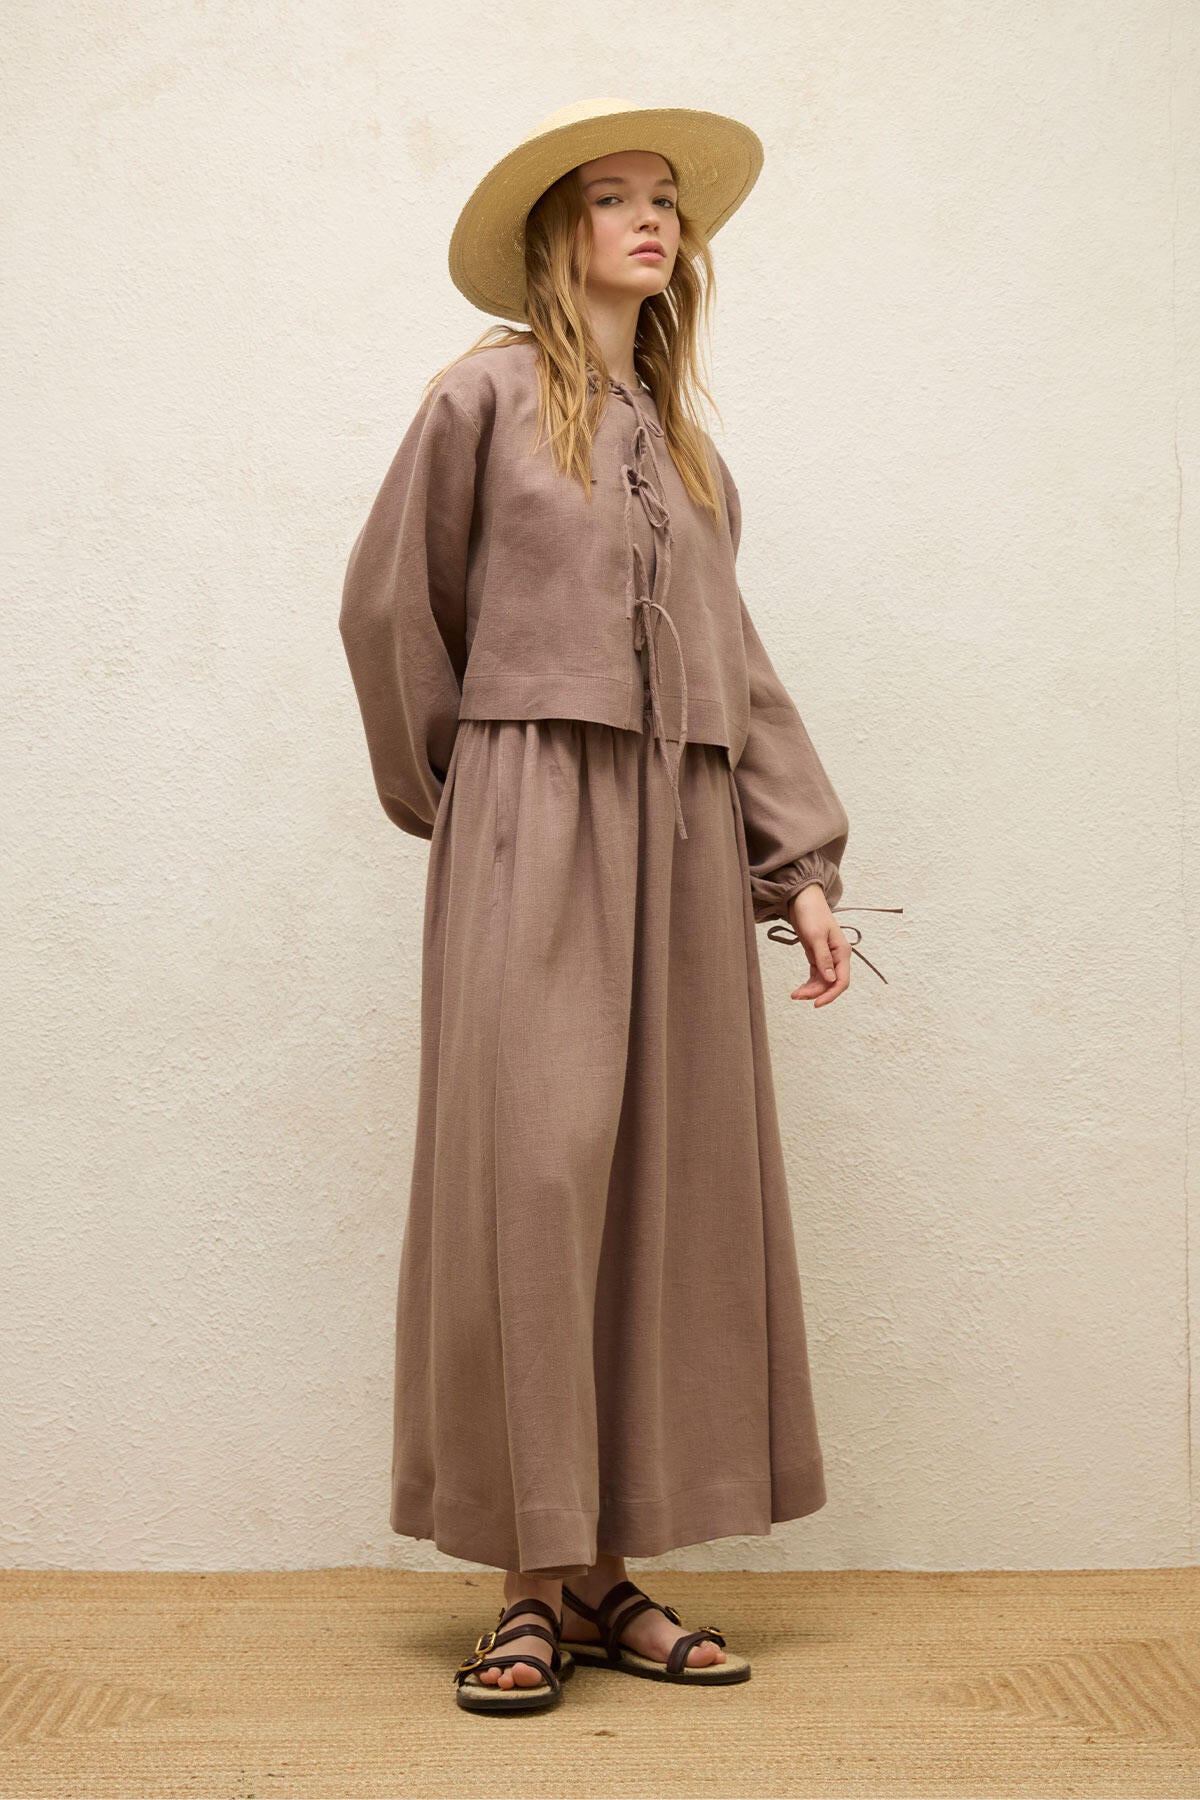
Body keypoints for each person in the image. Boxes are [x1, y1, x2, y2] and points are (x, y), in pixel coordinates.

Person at [338, 97, 896, 1715]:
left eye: (665, 200)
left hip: (683, 835)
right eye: (613, 197)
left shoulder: (689, 452)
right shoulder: (480, 397)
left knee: (658, 1191)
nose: (652, 219)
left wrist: (801, 873)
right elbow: (391, 609)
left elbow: (739, 673)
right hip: (534, 822)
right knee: (536, 1176)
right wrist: (470, 798)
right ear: (555, 232)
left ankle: (600, 1574)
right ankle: (524, 1582)